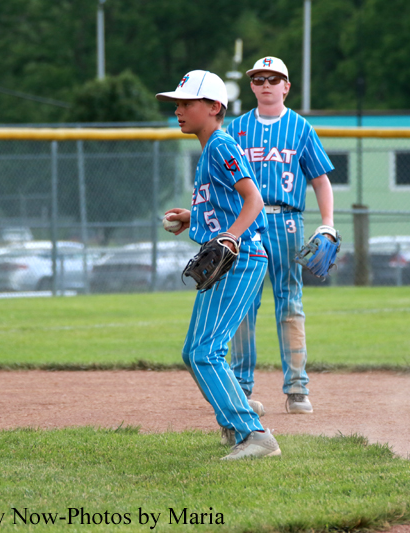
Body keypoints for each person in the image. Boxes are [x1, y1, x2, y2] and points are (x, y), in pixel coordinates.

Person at [156, 70, 281, 460]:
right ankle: (236, 413)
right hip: (235, 260)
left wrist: (230, 237)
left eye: (186, 103)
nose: (178, 110)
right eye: (176, 104)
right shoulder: (211, 148)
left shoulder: (221, 145)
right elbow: (225, 204)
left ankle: (254, 435)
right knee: (197, 351)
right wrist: (193, 218)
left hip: (240, 259)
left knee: (204, 352)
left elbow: (253, 200)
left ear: (214, 107)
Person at [226, 56, 337, 414]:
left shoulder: (300, 128)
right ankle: (240, 388)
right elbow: (222, 180)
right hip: (247, 222)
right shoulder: (236, 129)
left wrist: (327, 223)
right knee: (243, 304)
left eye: (274, 79)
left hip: (287, 221)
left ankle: (297, 389)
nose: (266, 84)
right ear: (251, 86)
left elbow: (320, 180)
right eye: (259, 79)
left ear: (286, 87)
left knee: (290, 302)